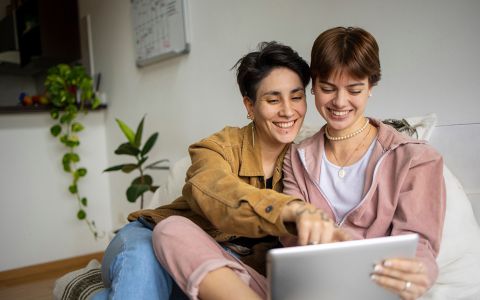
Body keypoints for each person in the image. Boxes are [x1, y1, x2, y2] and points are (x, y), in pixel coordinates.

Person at [94, 41, 345, 300]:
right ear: (249, 106)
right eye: (272, 99)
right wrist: (290, 209)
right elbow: (216, 191)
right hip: (148, 236)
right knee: (145, 260)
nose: (288, 110)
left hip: (214, 261)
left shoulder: (304, 161)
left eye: (296, 97)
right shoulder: (216, 148)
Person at [281, 26, 446, 300]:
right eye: (327, 88)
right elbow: (290, 237)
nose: (339, 101)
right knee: (183, 233)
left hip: (377, 289)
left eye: (354, 89)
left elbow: (419, 246)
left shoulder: (416, 159)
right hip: (312, 288)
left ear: (371, 86)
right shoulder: (296, 157)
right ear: (313, 87)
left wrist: (418, 273)